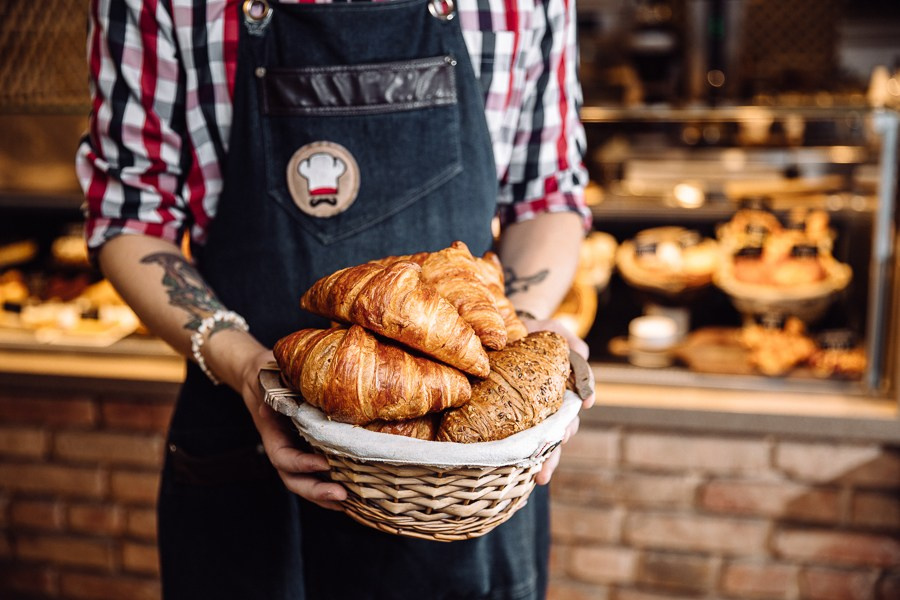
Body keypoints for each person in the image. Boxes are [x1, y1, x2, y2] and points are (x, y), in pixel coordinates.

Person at [76, 0, 594, 598]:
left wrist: (518, 355)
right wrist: (248, 369)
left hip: (466, 469)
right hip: (243, 437)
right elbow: (131, 218)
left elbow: (547, 194)